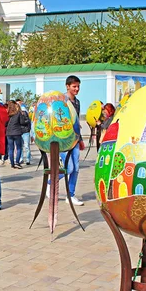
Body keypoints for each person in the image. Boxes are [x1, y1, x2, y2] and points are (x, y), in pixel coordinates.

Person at [48, 76, 86, 206]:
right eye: (74, 86)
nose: (76, 89)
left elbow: (76, 123)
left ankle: (71, 195)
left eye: (78, 86)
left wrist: (80, 139)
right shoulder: (61, 101)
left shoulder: (78, 102)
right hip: (62, 140)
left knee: (76, 169)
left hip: (74, 140)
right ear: (67, 86)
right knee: (69, 168)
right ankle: (50, 183)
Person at [6, 101, 25, 169]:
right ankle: (17, 162)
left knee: (11, 149)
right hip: (17, 132)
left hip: (9, 132)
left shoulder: (8, 114)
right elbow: (22, 122)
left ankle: (12, 163)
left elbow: (5, 123)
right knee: (19, 148)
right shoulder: (18, 113)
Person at [16, 100, 32, 165]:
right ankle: (22, 158)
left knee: (25, 146)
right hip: (20, 131)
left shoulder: (24, 113)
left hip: (25, 131)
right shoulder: (17, 113)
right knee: (21, 146)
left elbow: (27, 121)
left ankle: (27, 159)